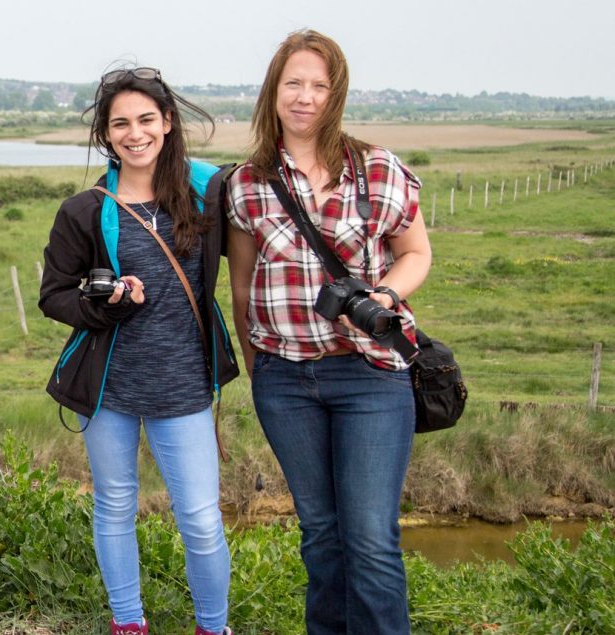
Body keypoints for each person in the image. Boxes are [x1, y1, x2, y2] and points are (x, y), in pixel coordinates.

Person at [226, 29, 431, 635]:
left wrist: (384, 295)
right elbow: (241, 287)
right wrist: (256, 365)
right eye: (294, 83)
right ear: (274, 91)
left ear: (336, 93)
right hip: (284, 379)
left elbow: (416, 254)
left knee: (369, 537)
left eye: (319, 85)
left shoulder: (377, 167)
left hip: (370, 373)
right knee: (320, 534)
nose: (305, 97)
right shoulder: (246, 182)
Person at [39, 67, 238, 635]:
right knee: (115, 508)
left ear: (168, 123)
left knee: (200, 520)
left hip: (184, 386)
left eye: (147, 119)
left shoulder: (210, 193)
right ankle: (127, 623)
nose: (135, 133)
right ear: (106, 133)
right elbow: (54, 296)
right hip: (110, 388)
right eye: (120, 123)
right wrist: (106, 304)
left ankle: (213, 626)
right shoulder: (84, 210)